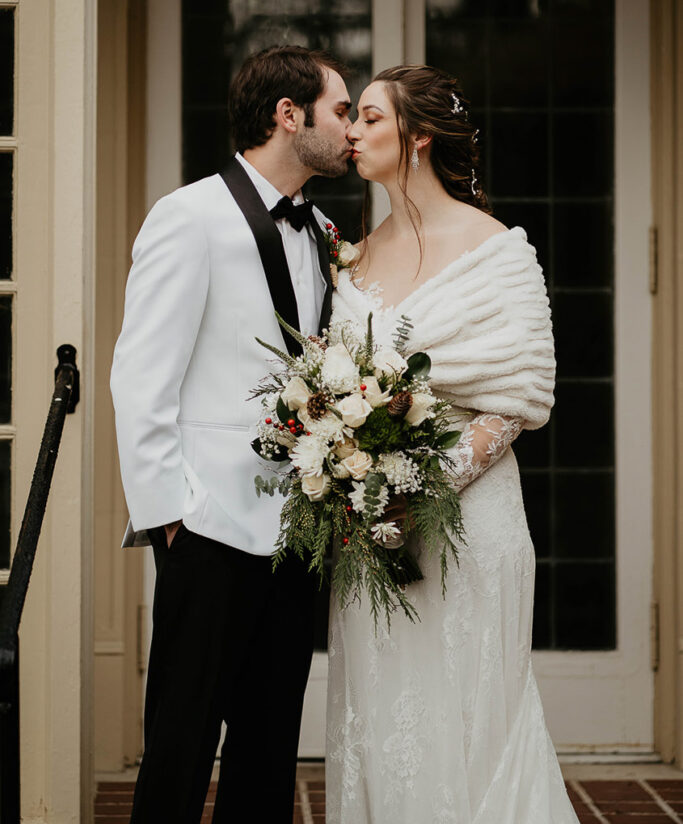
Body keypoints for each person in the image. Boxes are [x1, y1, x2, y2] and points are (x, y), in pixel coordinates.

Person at [326, 64, 578, 823]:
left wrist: (421, 487)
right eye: (351, 117)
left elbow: (521, 397)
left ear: (419, 137)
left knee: (473, 714)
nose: (351, 131)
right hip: (370, 533)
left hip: (467, 524)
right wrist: (363, 486)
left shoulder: (494, 247)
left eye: (369, 118)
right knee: (383, 713)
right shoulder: (356, 255)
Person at [110, 45, 353, 824]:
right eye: (340, 110)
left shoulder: (319, 227)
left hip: (295, 530)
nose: (350, 129)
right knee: (180, 744)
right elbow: (140, 375)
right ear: (290, 116)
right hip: (207, 528)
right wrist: (169, 515)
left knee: (267, 747)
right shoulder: (188, 215)